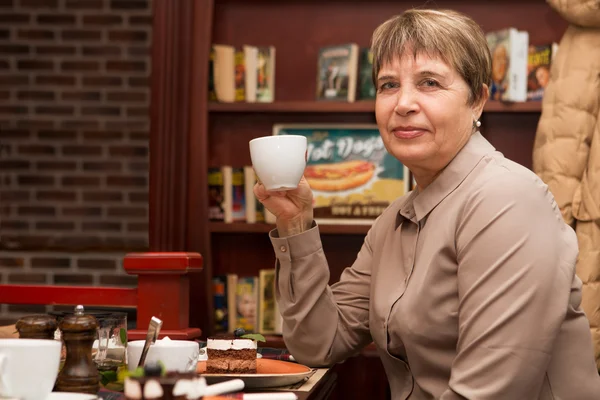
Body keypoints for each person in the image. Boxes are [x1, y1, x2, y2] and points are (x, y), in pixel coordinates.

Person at [254, 9, 600, 400]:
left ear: (477, 101)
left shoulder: (509, 199)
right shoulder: (394, 221)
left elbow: (489, 392)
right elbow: (319, 344)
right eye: (388, 85)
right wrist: (296, 223)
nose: (403, 103)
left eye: (429, 83)